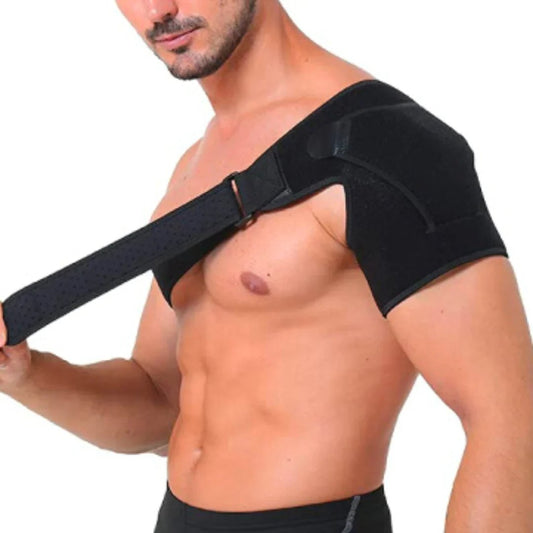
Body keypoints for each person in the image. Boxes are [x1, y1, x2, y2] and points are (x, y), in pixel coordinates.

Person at [1, 1, 532, 531]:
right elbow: (160, 403)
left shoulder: (391, 149)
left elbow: (511, 418)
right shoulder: (193, 166)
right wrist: (23, 374)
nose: (157, 10)